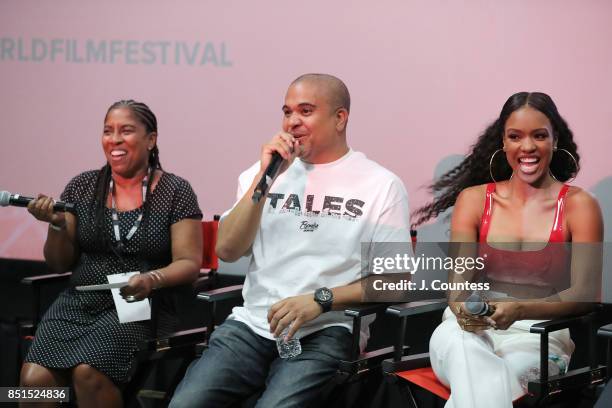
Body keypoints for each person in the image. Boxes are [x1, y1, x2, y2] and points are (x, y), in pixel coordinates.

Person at [170, 73, 410, 408]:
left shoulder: (380, 185)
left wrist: (320, 299)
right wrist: (264, 179)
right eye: (287, 112)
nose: (292, 122)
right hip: (252, 325)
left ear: (340, 118)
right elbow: (227, 249)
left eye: (306, 111)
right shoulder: (263, 173)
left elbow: (395, 281)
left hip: (326, 329)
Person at [412, 92, 603, 408]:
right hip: (465, 332)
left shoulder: (579, 205)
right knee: (464, 350)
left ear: (555, 140)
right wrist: (461, 310)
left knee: (485, 383)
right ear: (503, 142)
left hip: (538, 338)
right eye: (515, 137)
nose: (527, 147)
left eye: (539, 135)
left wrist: (520, 310)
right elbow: (457, 287)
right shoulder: (473, 200)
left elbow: (584, 295)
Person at [20, 100, 203, 407]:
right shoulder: (82, 187)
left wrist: (151, 279)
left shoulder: (175, 191)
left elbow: (189, 263)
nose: (114, 140)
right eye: (108, 131)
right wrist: (55, 226)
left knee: (88, 373)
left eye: (126, 131)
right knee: (32, 383)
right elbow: (59, 261)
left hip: (139, 305)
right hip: (79, 302)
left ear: (151, 139)